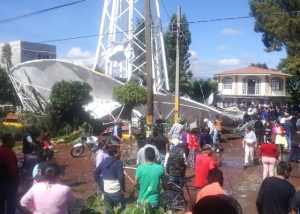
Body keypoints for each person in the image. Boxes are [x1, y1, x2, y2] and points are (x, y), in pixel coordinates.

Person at [93, 147, 126, 213]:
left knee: (109, 210)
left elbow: (95, 174)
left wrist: (102, 183)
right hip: (116, 191)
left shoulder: (103, 162)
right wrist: (122, 188)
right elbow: (121, 177)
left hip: (107, 192)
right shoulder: (118, 163)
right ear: (115, 154)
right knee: (122, 210)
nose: (120, 153)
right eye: (119, 152)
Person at [0, 133, 20, 214]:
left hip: (1, 181)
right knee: (11, 202)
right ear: (7, 142)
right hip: (9, 181)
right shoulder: (9, 153)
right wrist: (18, 180)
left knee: (1, 201)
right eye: (12, 140)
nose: (14, 141)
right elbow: (13, 169)